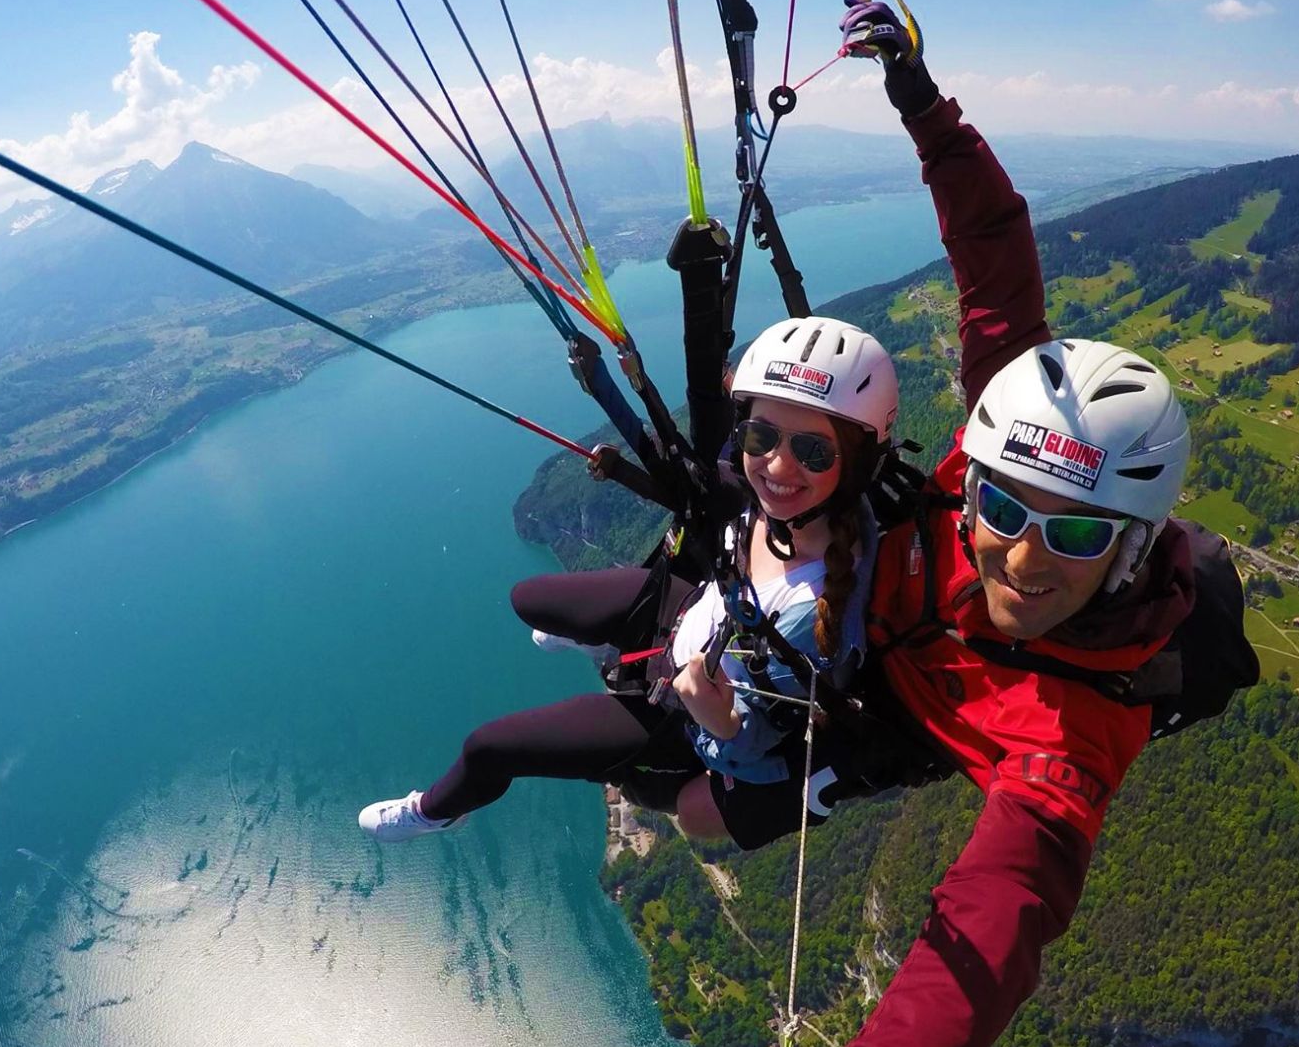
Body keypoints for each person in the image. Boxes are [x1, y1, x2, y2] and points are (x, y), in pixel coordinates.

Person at [737, 0, 1259, 1047]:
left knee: (706, 798)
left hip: (916, 715)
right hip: (904, 645)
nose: (1023, 551)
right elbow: (992, 252)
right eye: (1001, 507)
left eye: (1073, 535)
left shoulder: (1074, 737)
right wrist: (921, 99)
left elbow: (988, 936)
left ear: (1132, 547)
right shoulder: (1014, 434)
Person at [354, 315, 898, 849]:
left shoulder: (815, 618)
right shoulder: (780, 505)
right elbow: (687, 438)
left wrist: (719, 721)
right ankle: (606, 640)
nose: (777, 465)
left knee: (489, 746)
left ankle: (433, 813)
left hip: (674, 720)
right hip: (683, 618)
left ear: (856, 463)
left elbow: (755, 750)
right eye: (760, 435)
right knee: (529, 601)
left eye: (812, 451)